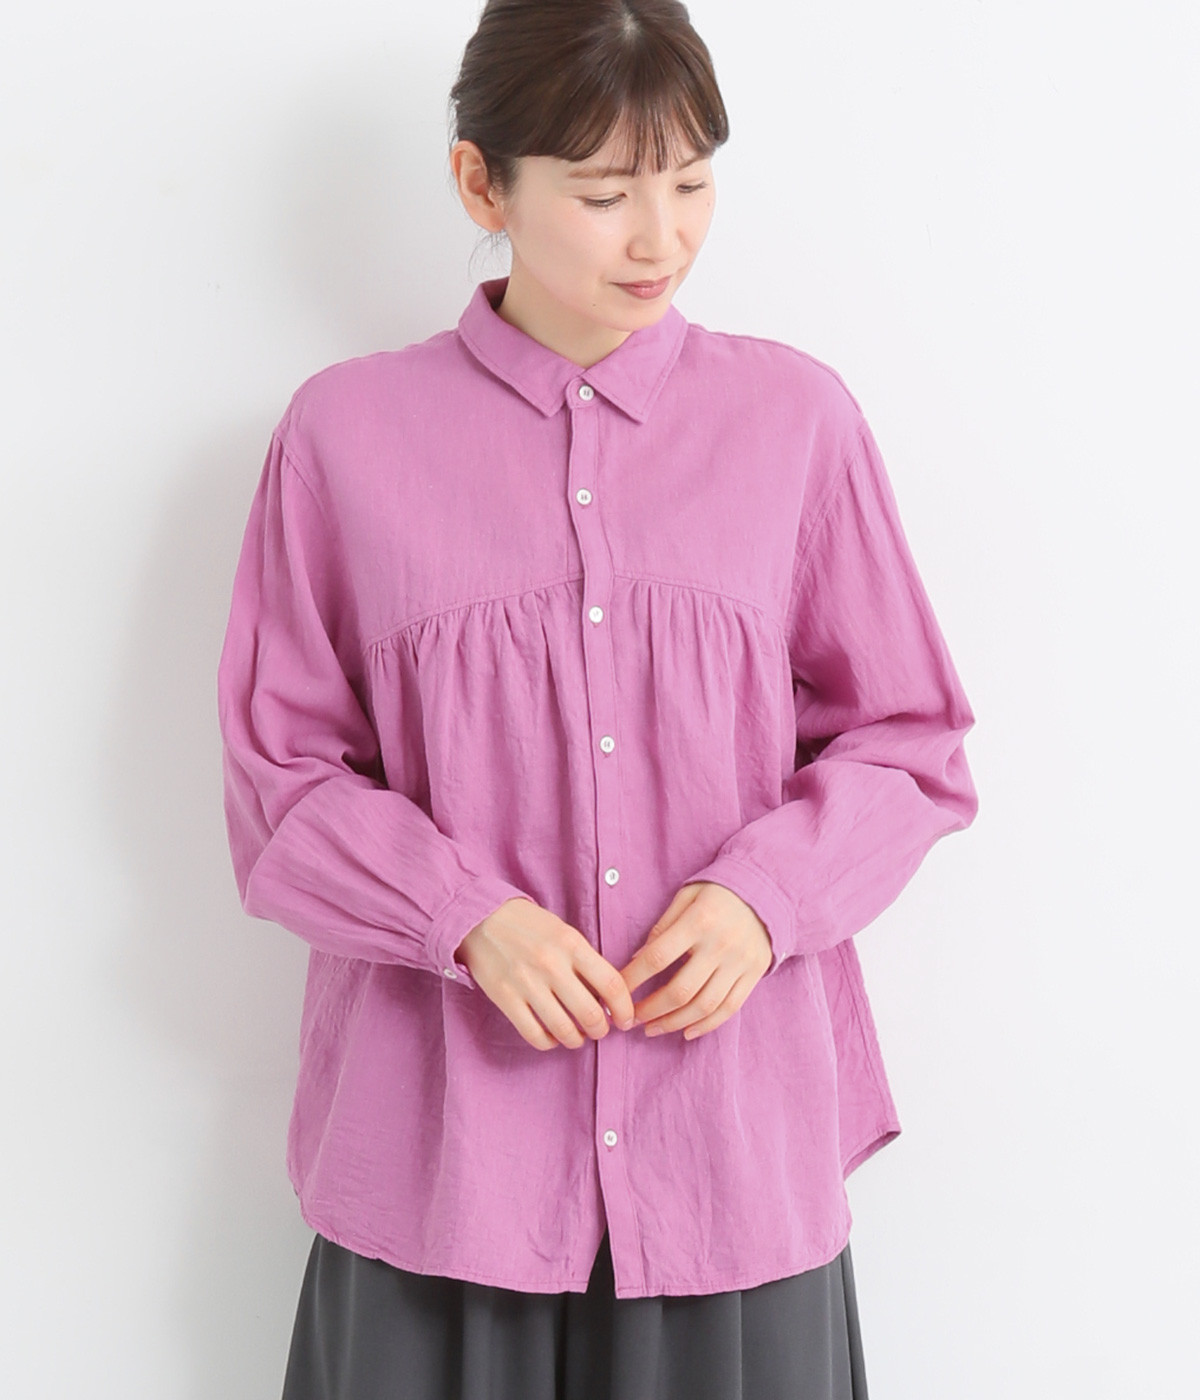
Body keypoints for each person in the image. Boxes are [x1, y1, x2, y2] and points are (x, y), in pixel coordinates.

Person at [216, 2, 978, 1397]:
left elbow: (911, 739)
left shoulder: (795, 424)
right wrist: (465, 919)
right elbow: (280, 780)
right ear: (481, 184)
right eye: (606, 193)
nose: (660, 238)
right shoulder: (345, 436)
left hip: (727, 1160)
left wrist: (766, 897)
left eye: (689, 182)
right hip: (446, 1169)